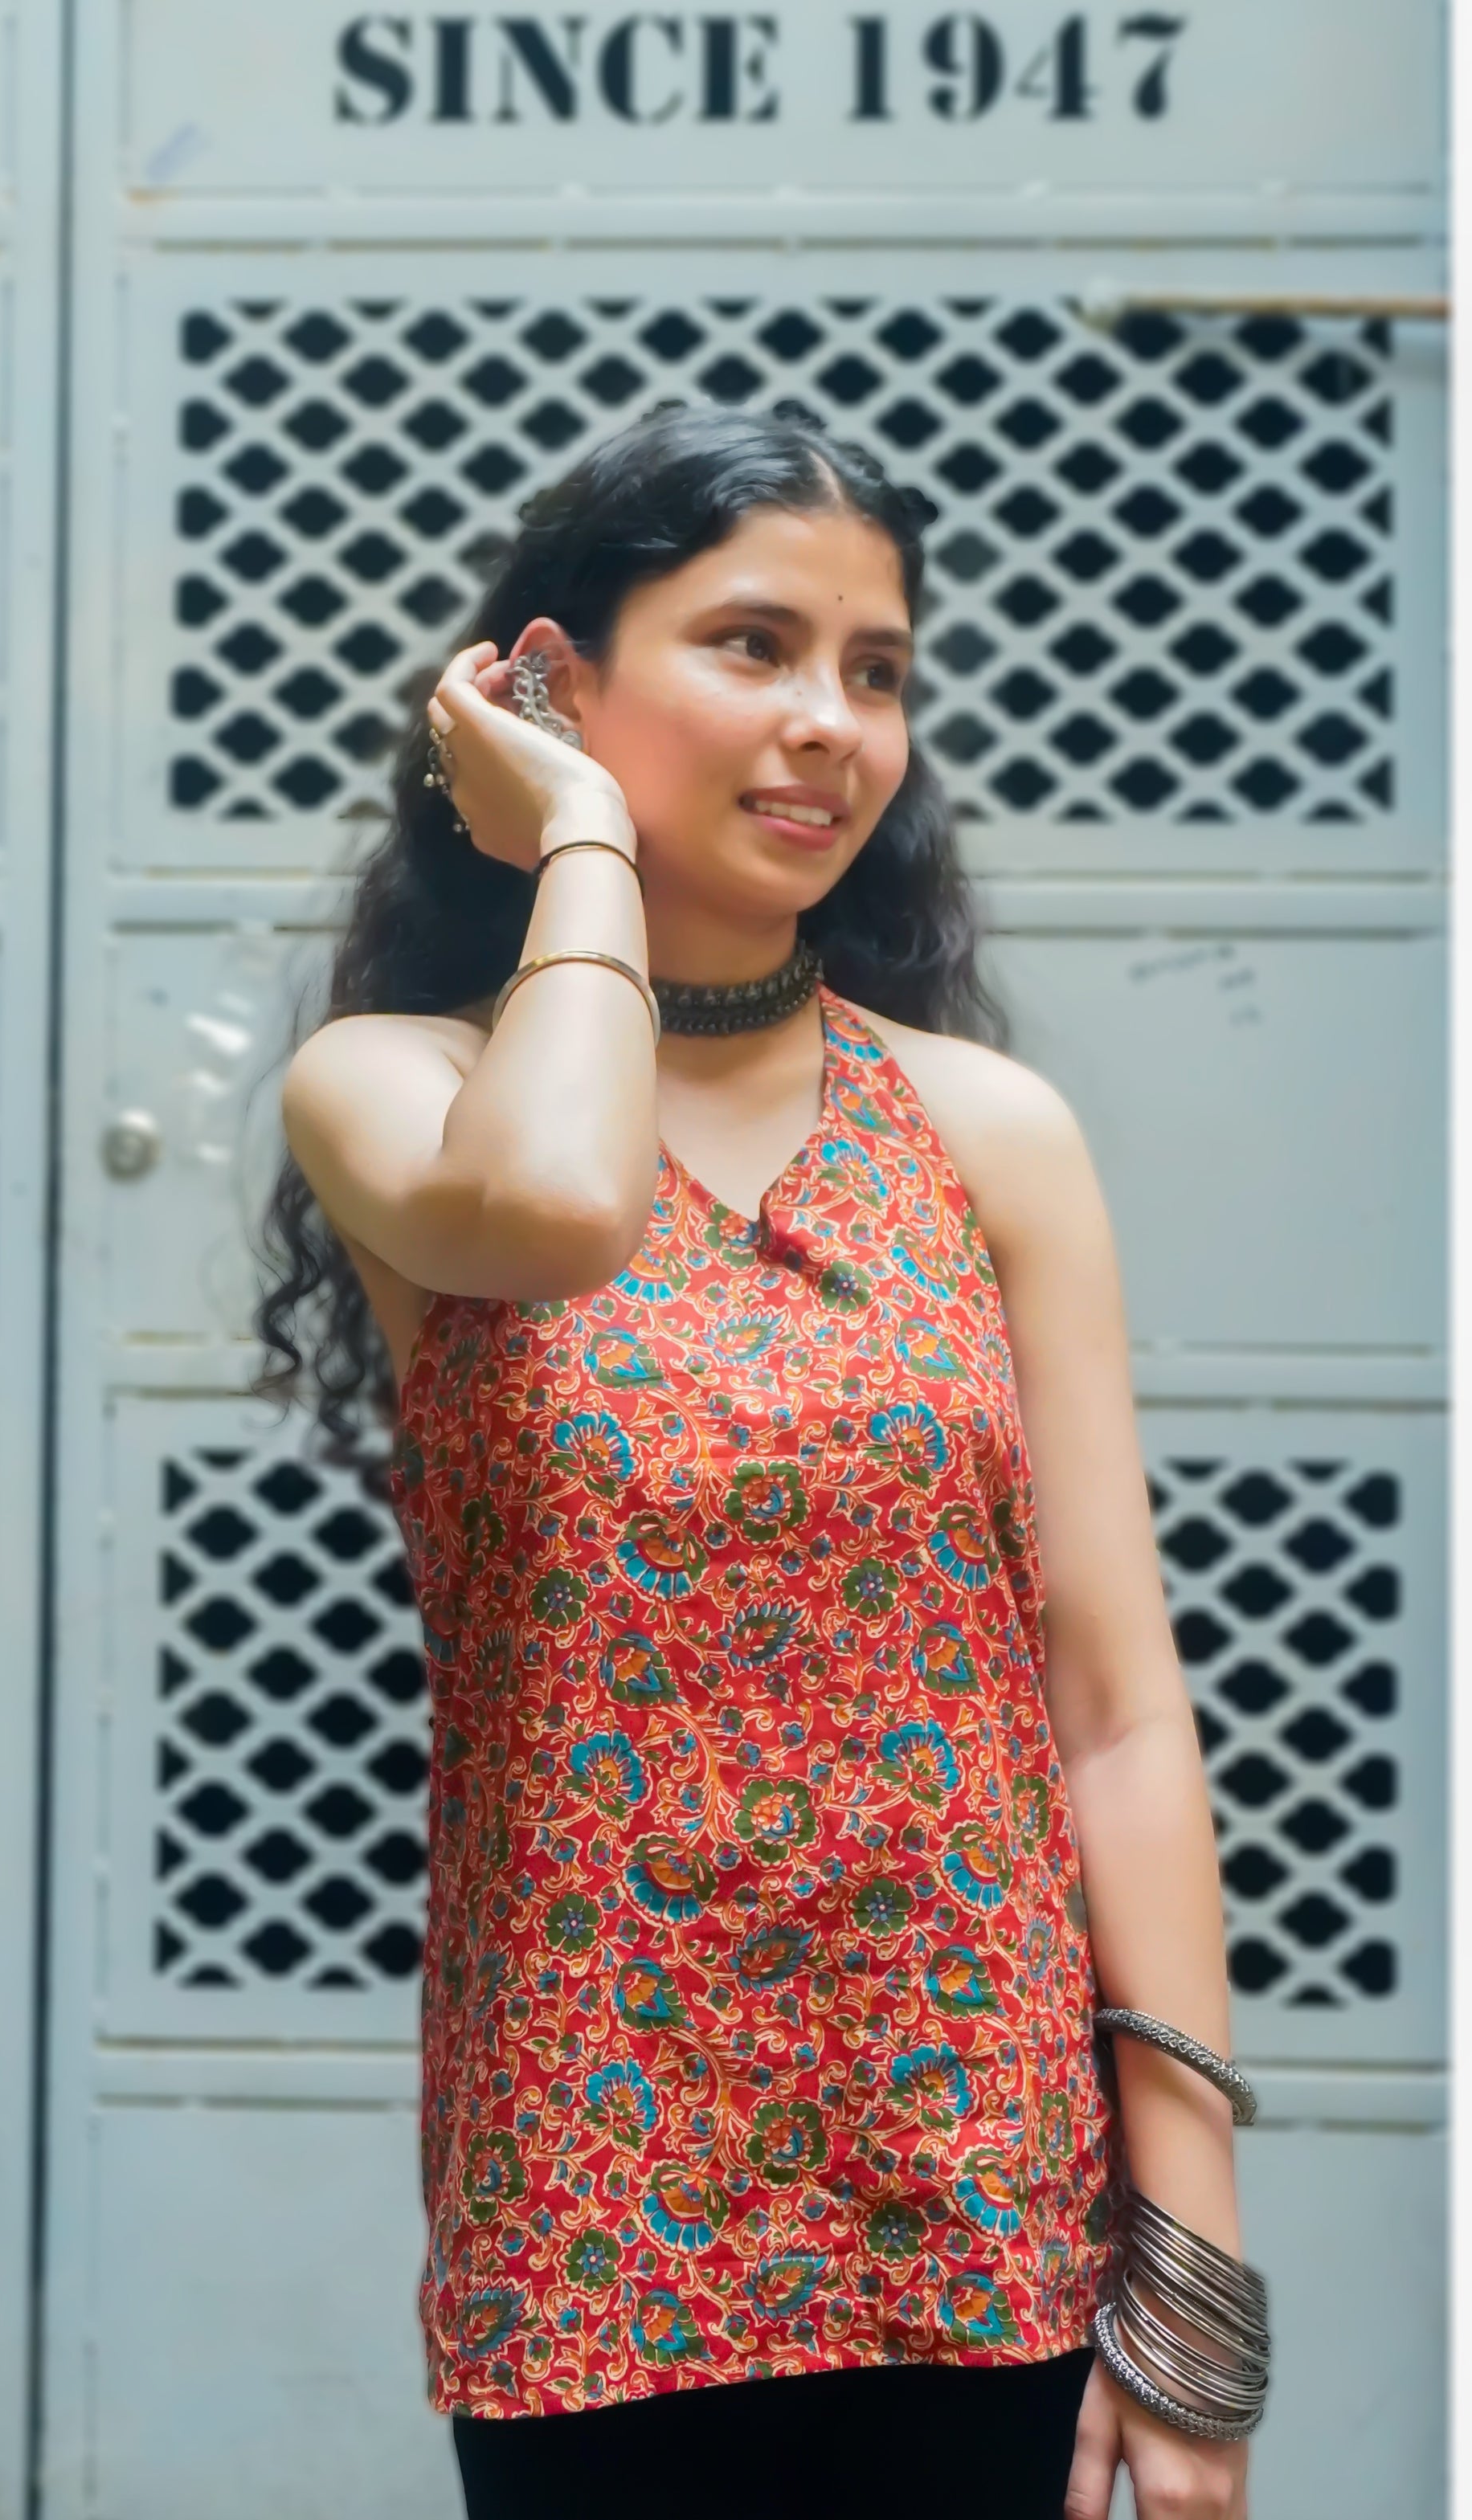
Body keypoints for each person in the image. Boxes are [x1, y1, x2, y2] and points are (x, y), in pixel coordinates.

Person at [260, 405, 1257, 2520]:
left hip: (983, 2198)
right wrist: (580, 839)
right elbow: (558, 1207)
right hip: (591, 2206)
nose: (830, 724)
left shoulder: (982, 1133)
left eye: (876, 670)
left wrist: (1189, 2280)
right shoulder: (401, 1088)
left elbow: (1111, 1710)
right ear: (549, 683)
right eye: (751, 644)